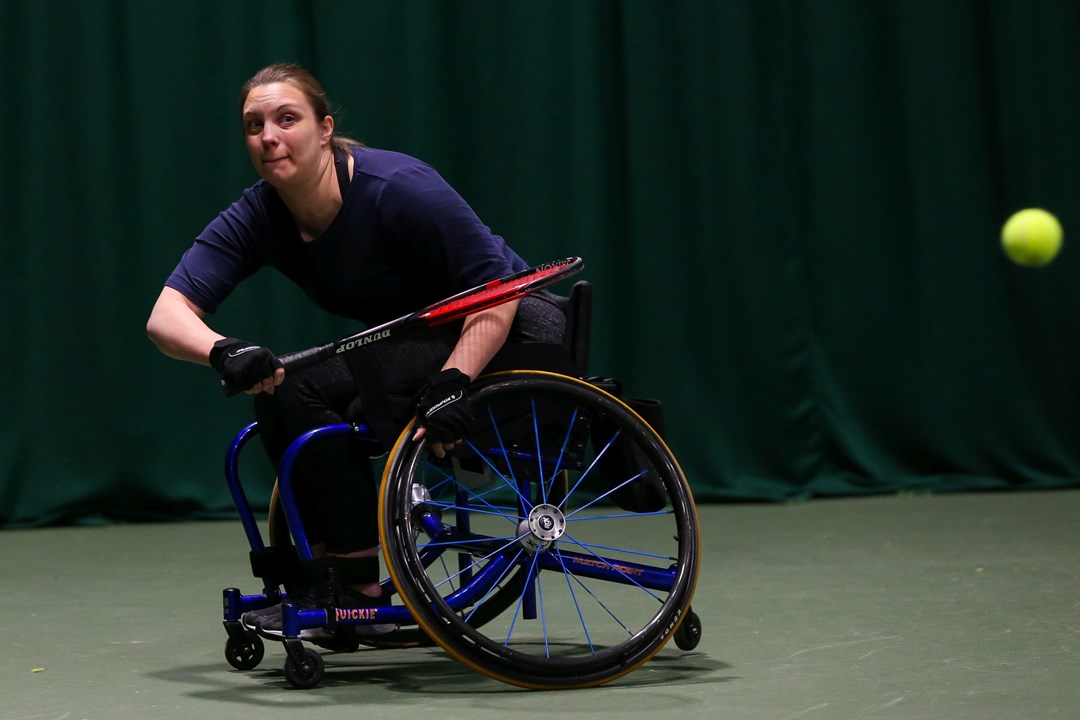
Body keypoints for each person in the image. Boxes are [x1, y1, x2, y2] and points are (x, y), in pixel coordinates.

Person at [146, 63, 569, 637]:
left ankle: (353, 590)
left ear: (324, 129)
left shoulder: (398, 188)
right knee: (282, 387)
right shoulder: (260, 213)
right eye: (254, 125)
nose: (268, 136)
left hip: (513, 332)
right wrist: (224, 351)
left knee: (336, 376)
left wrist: (454, 381)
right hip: (410, 348)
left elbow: (498, 294)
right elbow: (165, 316)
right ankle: (333, 580)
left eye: (286, 119)